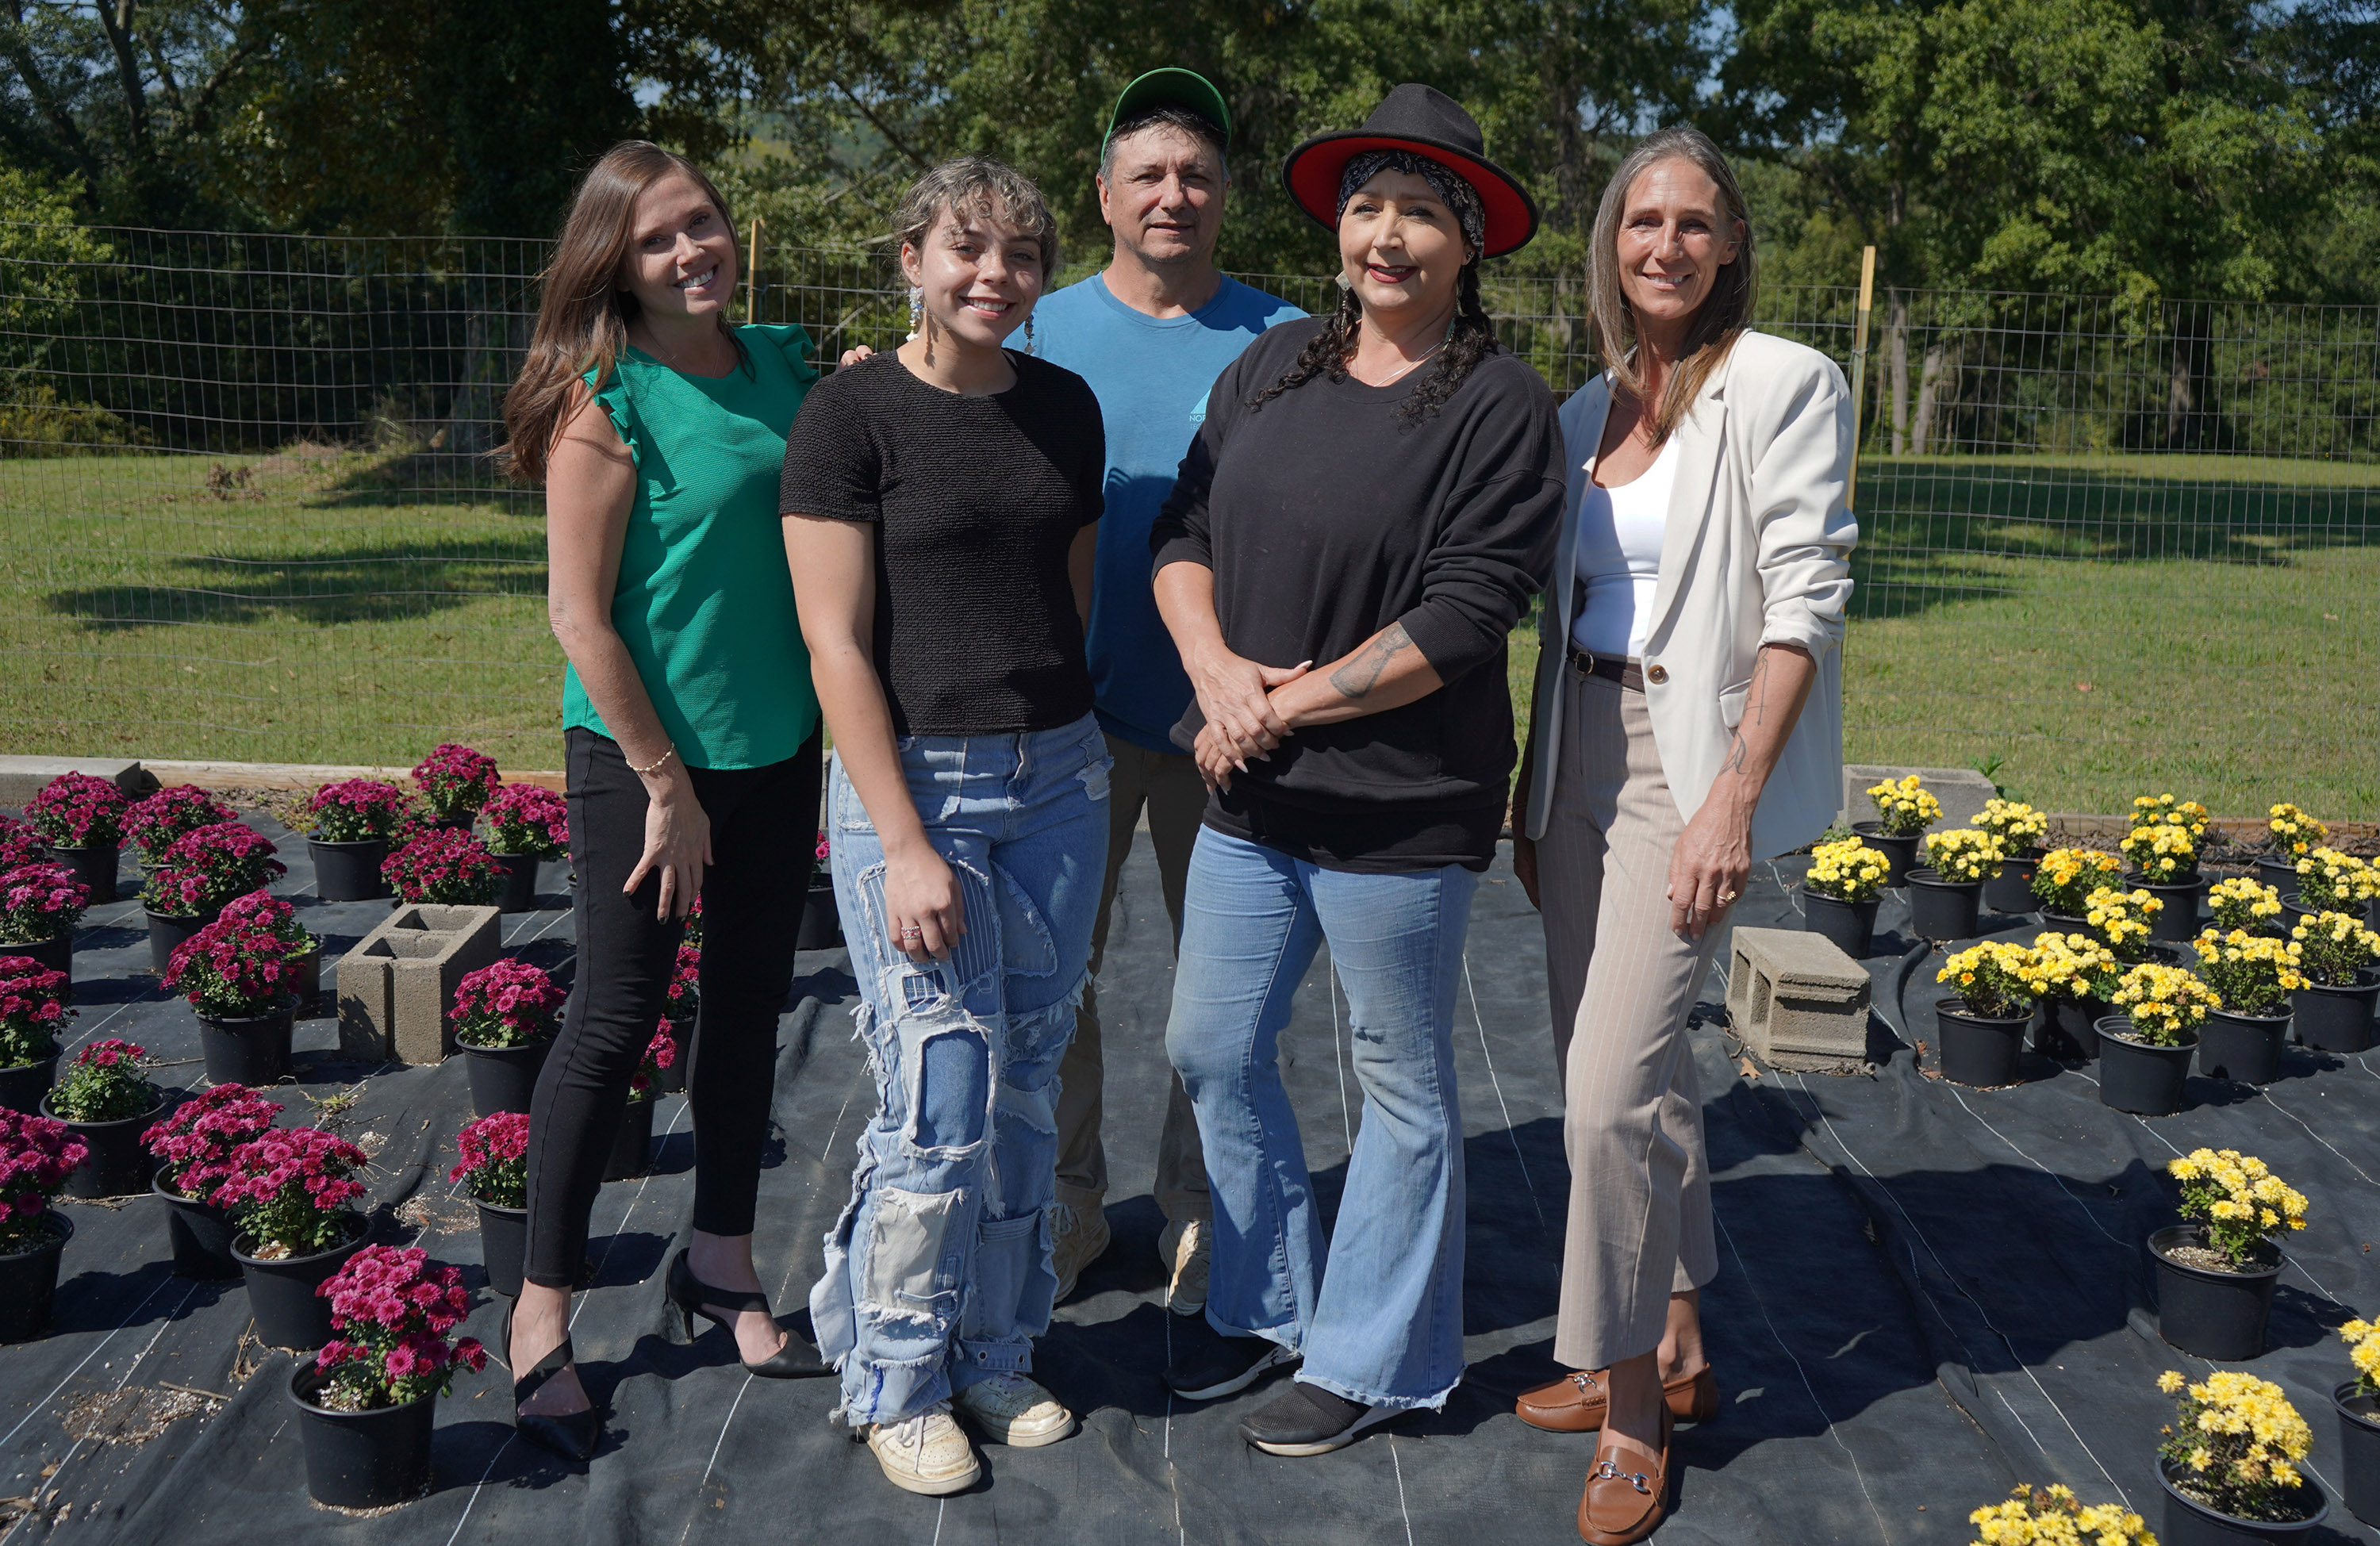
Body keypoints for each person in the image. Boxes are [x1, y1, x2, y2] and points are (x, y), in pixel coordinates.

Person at [1150, 84, 1564, 1458]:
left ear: (1467, 245)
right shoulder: (1270, 367)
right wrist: (1217, 674)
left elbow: (1461, 618)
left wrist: (1274, 705)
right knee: (1211, 1048)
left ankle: (1375, 1357)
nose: (1388, 237)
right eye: (1368, 208)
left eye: (1422, 215)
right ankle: (1275, 1302)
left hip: (1398, 806)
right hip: (1251, 798)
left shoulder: (1499, 406)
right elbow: (1182, 527)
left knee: (1401, 1088)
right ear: (1339, 227)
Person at [1507, 124, 1856, 1546]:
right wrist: (1538, 781)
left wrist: (1728, 800)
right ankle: (1688, 1336)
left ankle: (1633, 1397)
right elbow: (1559, 614)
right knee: (1635, 1080)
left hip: (1682, 762)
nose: (1665, 243)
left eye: (1694, 222)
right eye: (1641, 219)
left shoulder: (1782, 383)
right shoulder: (1586, 403)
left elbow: (1802, 603)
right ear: (1610, 241)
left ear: (1731, 244)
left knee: (1601, 1095)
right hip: (1575, 751)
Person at [781, 155, 1110, 1498]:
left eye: (1021, 256)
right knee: (941, 1089)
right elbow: (833, 640)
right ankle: (897, 1374)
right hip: (911, 787)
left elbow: (1066, 593)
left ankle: (995, 1342)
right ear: (910, 256)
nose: (995, 275)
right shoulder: (849, 414)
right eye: (965, 249)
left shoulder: (1065, 409)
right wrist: (905, 837)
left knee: (1026, 1083)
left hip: (1059, 780)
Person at [500, 140, 830, 1464]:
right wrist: (661, 784)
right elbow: (579, 615)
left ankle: (722, 1260)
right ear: (614, 264)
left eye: (702, 225)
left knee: (747, 1005)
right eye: (658, 241)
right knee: (615, 1017)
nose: (693, 251)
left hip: (776, 747)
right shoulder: (605, 400)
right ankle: (538, 1311)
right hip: (643, 767)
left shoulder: (782, 366)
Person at [1028, 68, 1304, 1312]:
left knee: (1223, 990)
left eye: (1196, 174)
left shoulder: (1290, 340)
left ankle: (1199, 1209)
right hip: (1063, 719)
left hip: (1226, 726)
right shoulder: (1033, 324)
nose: (1173, 194)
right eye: (1147, 173)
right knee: (1058, 979)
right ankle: (1070, 1203)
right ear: (1104, 197)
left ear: (1225, 197)